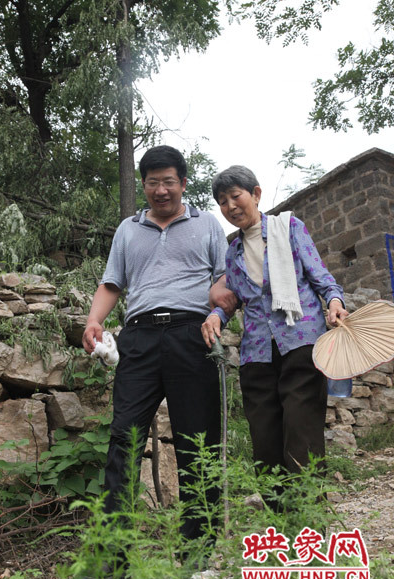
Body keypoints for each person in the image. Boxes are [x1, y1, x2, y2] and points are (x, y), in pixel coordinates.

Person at [82, 145, 236, 557]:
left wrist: (220, 315)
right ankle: (116, 553)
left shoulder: (206, 225)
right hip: (139, 338)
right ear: (144, 185)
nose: (161, 190)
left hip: (193, 333)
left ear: (184, 184)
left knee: (197, 440)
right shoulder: (127, 230)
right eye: (153, 183)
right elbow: (113, 283)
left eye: (169, 182)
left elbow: (227, 278)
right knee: (124, 437)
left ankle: (199, 550)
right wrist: (94, 320)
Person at [201, 165, 348, 504]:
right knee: (265, 446)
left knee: (302, 436)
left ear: (255, 193)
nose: (230, 206)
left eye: (235, 196)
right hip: (257, 355)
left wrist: (335, 301)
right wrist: (215, 315)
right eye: (222, 202)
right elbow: (232, 299)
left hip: (300, 341)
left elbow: (320, 275)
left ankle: (308, 531)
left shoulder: (289, 227)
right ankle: (279, 531)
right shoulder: (232, 253)